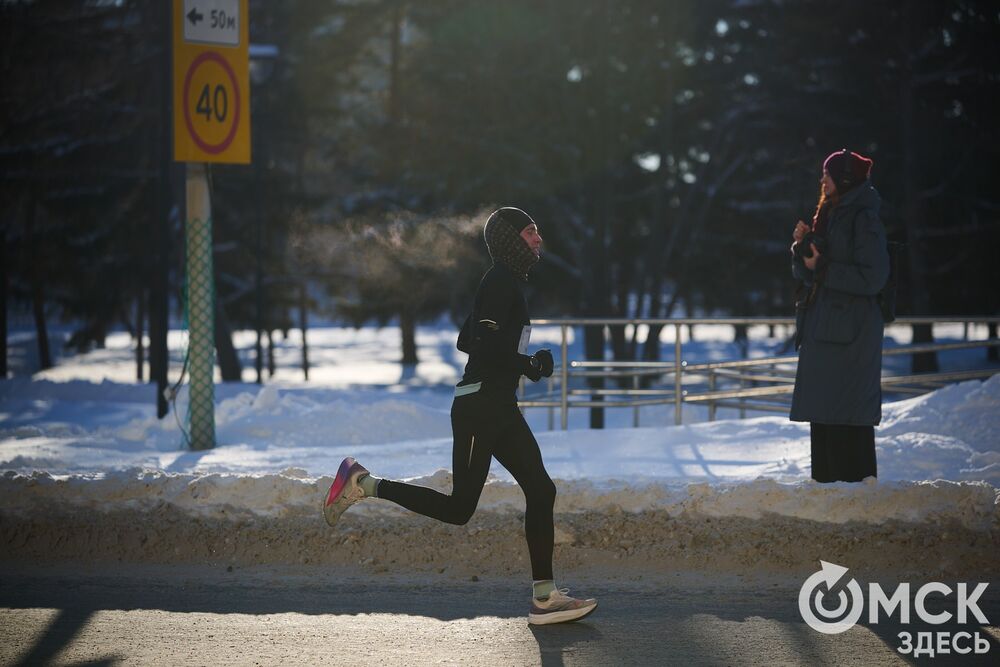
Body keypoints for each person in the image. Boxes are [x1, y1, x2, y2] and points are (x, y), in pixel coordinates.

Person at [323, 207, 598, 626]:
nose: (538, 239)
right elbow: (482, 344)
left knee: (542, 491)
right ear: (510, 239)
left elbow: (466, 339)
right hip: (479, 408)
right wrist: (528, 364)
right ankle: (364, 484)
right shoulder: (499, 280)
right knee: (459, 509)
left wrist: (520, 361)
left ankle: (545, 599)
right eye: (530, 232)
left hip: (499, 405)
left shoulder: (504, 282)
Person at [790, 149, 889, 483]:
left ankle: (854, 499)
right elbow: (813, 274)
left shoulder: (863, 218)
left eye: (828, 174)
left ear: (845, 179)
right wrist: (803, 250)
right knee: (825, 417)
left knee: (846, 417)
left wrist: (821, 266)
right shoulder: (831, 213)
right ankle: (828, 497)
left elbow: (873, 277)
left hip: (850, 333)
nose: (823, 180)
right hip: (826, 329)